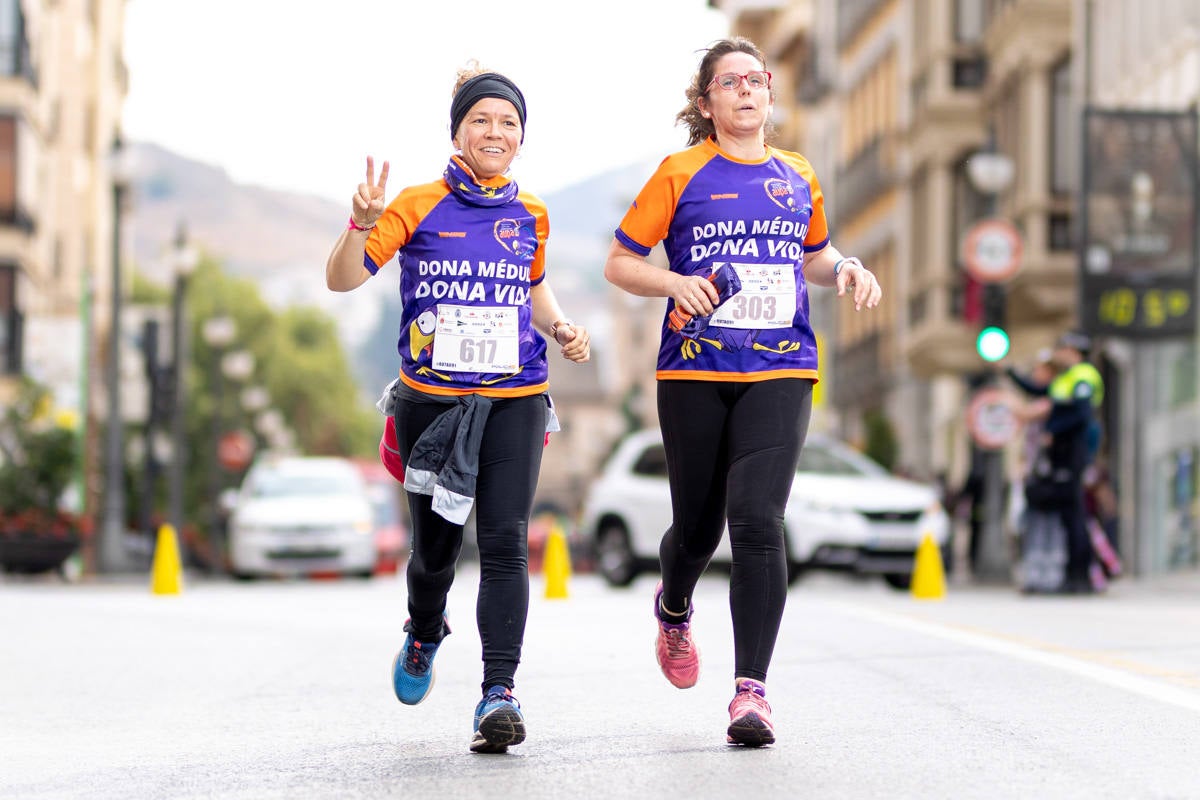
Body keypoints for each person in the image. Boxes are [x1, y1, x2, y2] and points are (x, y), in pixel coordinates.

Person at [602, 37, 881, 747]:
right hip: (695, 369)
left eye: (757, 80)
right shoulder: (680, 172)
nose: (748, 91)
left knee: (757, 520)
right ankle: (673, 606)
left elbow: (812, 253)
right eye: (731, 82)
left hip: (781, 367)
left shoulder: (798, 176)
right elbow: (620, 261)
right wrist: (673, 283)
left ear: (769, 96)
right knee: (697, 529)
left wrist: (845, 265)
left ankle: (750, 694)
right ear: (707, 103)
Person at [325, 63, 590, 754]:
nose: (495, 132)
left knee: (505, 543)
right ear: (458, 131)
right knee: (436, 552)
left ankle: (498, 693)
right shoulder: (414, 204)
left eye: (508, 123)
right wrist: (360, 223)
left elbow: (532, 288)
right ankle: (422, 632)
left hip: (515, 397)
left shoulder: (531, 213)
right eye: (482, 120)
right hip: (433, 403)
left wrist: (561, 328)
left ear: (521, 138)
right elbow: (343, 278)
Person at [1006, 331, 1104, 593]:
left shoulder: (1083, 376)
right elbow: (1037, 390)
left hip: (1073, 450)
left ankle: (1079, 577)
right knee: (1068, 514)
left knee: (1075, 515)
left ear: (1073, 351)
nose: (1058, 353)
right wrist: (1009, 371)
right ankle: (1070, 574)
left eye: (1062, 349)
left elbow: (1081, 415)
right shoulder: (1067, 378)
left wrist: (1054, 431)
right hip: (1062, 452)